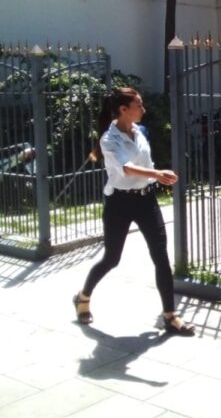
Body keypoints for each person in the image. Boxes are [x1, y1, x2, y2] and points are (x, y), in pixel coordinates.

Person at [73, 87, 194, 336]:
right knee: (112, 259)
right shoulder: (109, 139)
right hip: (120, 203)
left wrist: (154, 178)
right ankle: (83, 297)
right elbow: (126, 168)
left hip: (146, 200)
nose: (143, 109)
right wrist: (158, 174)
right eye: (138, 105)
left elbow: (142, 163)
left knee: (161, 256)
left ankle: (170, 316)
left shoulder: (140, 131)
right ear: (123, 109)